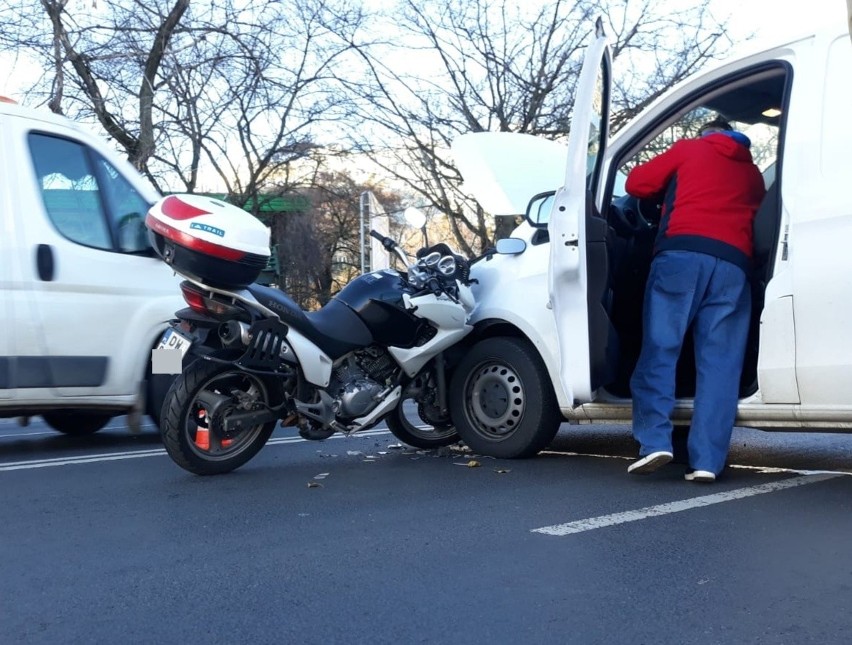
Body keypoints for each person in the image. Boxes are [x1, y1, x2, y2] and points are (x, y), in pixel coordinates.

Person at [624, 117, 766, 482]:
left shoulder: (690, 149)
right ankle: (707, 462)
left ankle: (655, 439)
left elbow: (636, 183)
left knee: (661, 348)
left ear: (708, 134)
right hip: (734, 268)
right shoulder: (752, 175)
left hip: (682, 257)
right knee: (721, 367)